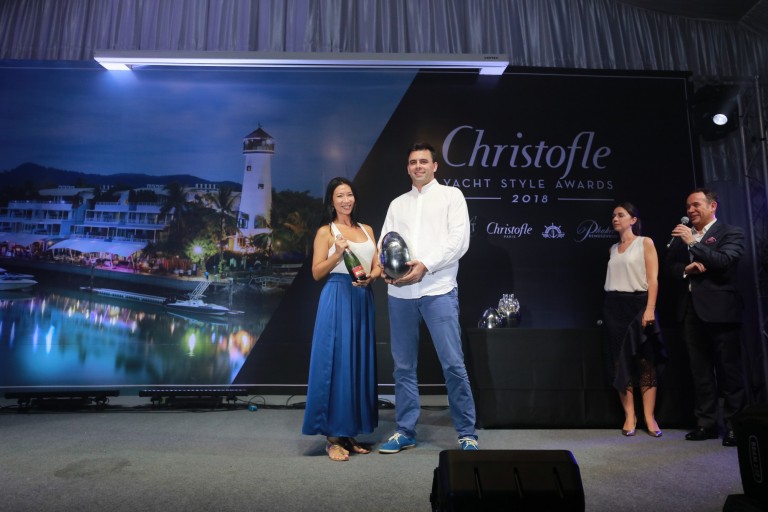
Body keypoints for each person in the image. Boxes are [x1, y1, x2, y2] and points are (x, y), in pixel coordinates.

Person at [377, 142, 478, 454]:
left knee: (453, 365)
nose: (417, 166)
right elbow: (385, 241)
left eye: (423, 161)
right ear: (407, 168)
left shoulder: (452, 197)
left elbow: (458, 241)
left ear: (435, 166)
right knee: (403, 367)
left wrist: (426, 265)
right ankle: (405, 430)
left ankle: (466, 432)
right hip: (400, 293)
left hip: (439, 290)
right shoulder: (397, 204)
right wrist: (384, 266)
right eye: (412, 162)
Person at [301, 177, 381, 461]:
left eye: (349, 195)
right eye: (339, 196)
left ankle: (349, 433)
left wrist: (373, 276)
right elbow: (316, 272)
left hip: (362, 299)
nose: (345, 200)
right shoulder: (326, 231)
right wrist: (337, 253)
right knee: (336, 365)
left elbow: (377, 265)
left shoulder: (367, 229)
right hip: (337, 298)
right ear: (331, 202)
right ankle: (332, 437)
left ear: (354, 199)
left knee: (357, 364)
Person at [666, 188, 747, 447]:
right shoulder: (682, 236)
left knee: (728, 371)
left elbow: (723, 261)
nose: (690, 210)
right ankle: (707, 423)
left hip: (721, 312)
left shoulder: (730, 232)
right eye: (688, 206)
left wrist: (693, 243)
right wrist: (685, 269)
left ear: (713, 206)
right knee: (699, 371)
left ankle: (735, 425)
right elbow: (670, 267)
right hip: (690, 311)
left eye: (696, 205)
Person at [602, 202, 666, 438]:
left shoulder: (645, 242)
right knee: (620, 363)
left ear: (633, 219)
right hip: (613, 308)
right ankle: (630, 415)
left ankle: (649, 416)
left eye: (621, 215)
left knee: (645, 361)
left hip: (639, 305)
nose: (615, 219)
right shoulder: (612, 248)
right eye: (613, 216)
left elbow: (653, 279)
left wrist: (650, 309)